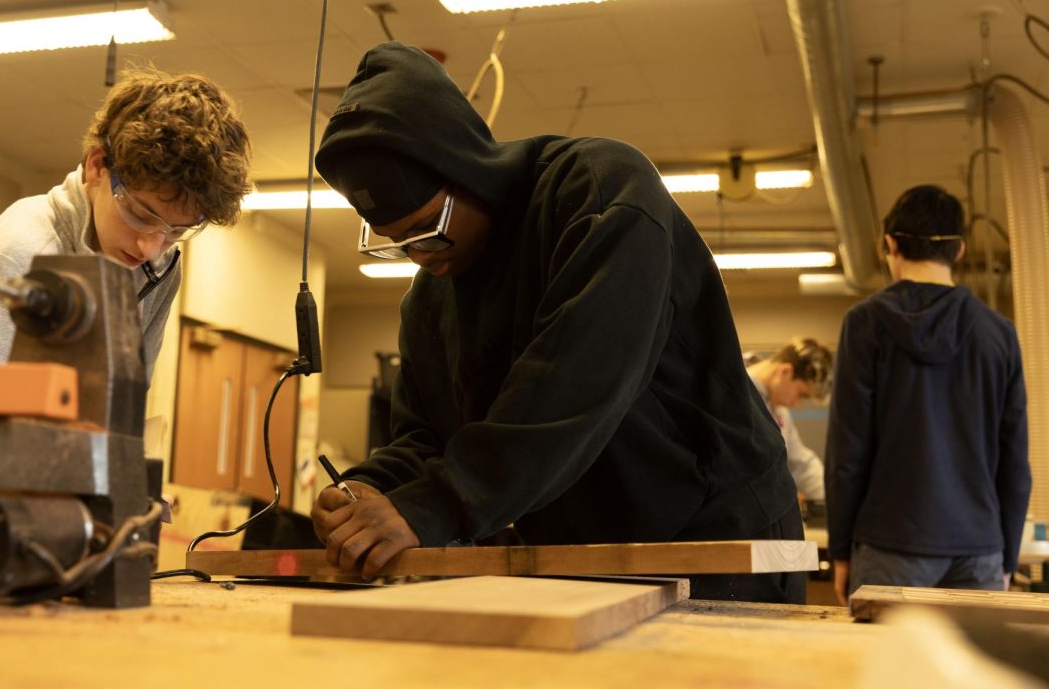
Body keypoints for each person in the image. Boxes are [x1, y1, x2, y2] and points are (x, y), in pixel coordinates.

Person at [310, 41, 804, 603]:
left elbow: (577, 381)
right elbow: (427, 436)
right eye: (398, 243)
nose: (420, 255)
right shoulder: (430, 301)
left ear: (466, 167)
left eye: (428, 227)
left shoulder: (598, 193)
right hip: (585, 552)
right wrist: (372, 489)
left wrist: (435, 505)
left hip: (716, 534)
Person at [0, 67, 252, 590]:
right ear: (96, 166)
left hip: (64, 534)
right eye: (141, 215)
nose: (151, 246)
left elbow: (122, 408)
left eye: (178, 230)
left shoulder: (159, 265)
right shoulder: (20, 252)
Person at [826, 184, 1031, 605]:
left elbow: (847, 454)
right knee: (973, 673)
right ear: (959, 251)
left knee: (885, 669)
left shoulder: (864, 324)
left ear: (890, 245)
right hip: (979, 550)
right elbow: (1014, 461)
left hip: (889, 544)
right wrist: (1007, 555)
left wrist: (841, 551)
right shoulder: (999, 333)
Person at [745, 338, 832, 505]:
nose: (797, 404)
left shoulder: (778, 409)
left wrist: (833, 500)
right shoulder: (734, 391)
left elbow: (800, 462)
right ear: (785, 371)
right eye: (801, 394)